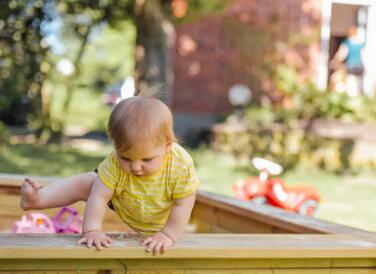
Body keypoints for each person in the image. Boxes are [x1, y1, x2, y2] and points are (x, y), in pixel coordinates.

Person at [20, 86, 200, 253]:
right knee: (89, 182)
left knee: (175, 214)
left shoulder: (180, 166)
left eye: (146, 159)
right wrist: (92, 231)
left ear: (167, 145)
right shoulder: (113, 163)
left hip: (162, 217)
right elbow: (98, 197)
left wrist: (168, 235)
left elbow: (183, 205)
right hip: (126, 199)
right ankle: (37, 199)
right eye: (126, 158)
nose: (135, 167)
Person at [330, 25, 365, 97]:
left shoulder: (347, 43)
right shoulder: (361, 44)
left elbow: (341, 54)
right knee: (358, 86)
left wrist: (334, 61)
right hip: (359, 67)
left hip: (351, 66)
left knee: (351, 87)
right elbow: (363, 56)